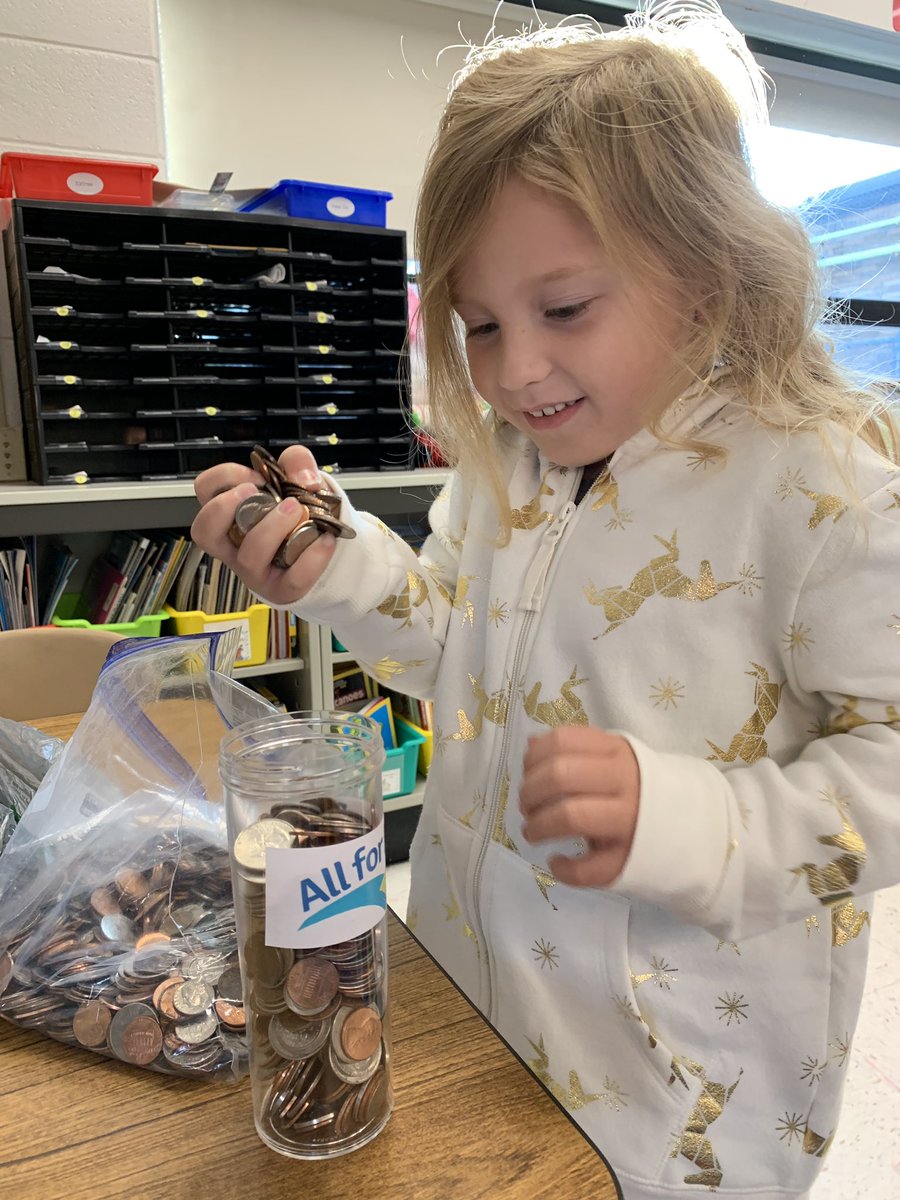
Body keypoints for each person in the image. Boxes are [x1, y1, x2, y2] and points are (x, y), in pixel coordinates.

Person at [192, 4, 900, 1196]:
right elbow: (449, 646)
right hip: (483, 998)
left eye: (565, 308)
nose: (515, 369)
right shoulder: (509, 463)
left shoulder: (825, 487)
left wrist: (688, 820)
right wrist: (341, 569)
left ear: (711, 265)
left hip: (685, 1098)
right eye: (476, 324)